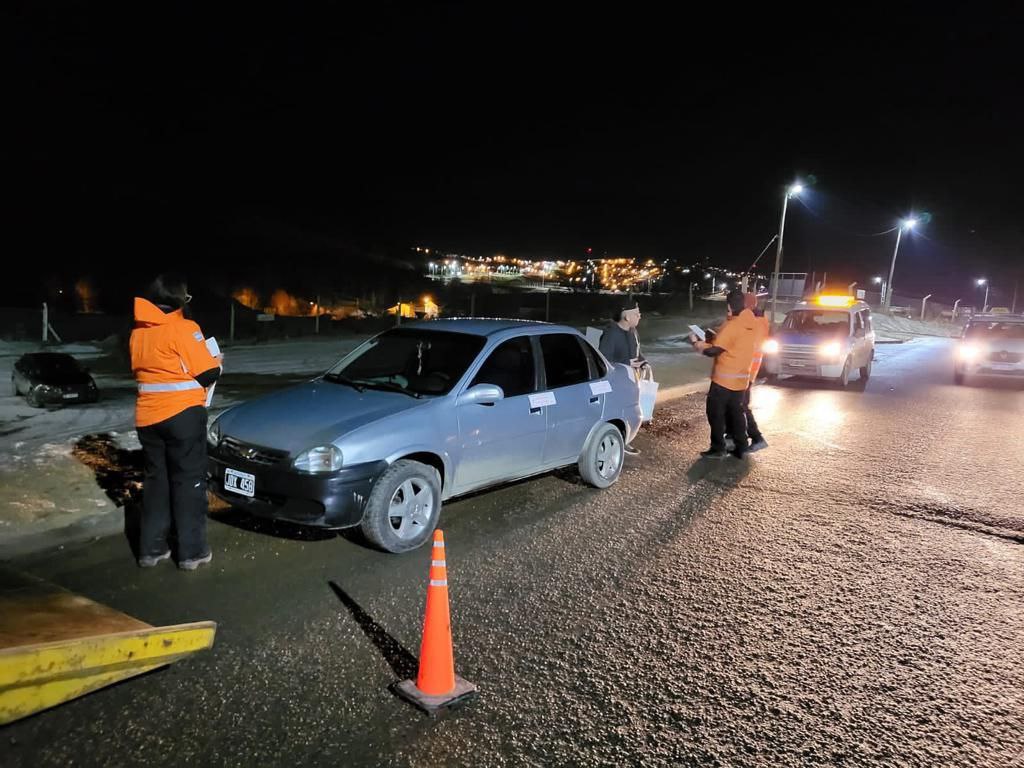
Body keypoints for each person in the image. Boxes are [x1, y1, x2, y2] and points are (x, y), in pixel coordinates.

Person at [130, 275, 222, 570]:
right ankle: (192, 553)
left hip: (147, 417)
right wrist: (217, 359)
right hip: (182, 417)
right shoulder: (185, 329)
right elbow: (207, 373)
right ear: (179, 300)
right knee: (189, 482)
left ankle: (151, 550)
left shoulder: (138, 333)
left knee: (156, 482)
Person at [689, 290, 757, 459]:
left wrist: (697, 343)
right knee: (737, 412)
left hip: (724, 380)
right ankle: (742, 446)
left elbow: (713, 351)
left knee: (715, 413)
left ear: (728, 306)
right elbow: (732, 343)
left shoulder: (732, 325)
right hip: (742, 378)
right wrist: (714, 337)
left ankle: (718, 448)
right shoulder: (751, 323)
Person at [599, 305, 647, 455]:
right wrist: (627, 363)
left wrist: (643, 362)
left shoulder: (633, 331)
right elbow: (603, 360)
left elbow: (638, 352)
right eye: (637, 314)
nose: (640, 316)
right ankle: (619, 441)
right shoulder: (611, 334)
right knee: (618, 413)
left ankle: (626, 439)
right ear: (626, 317)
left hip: (632, 380)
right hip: (617, 383)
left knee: (632, 411)